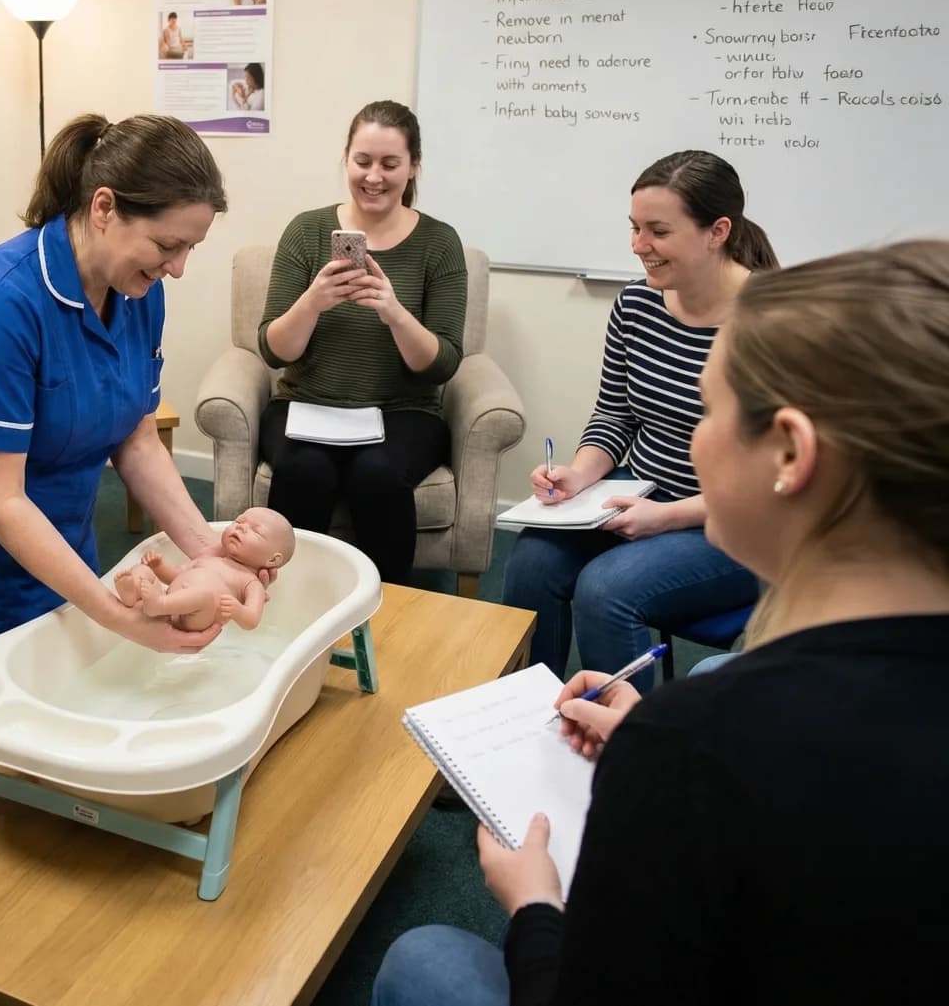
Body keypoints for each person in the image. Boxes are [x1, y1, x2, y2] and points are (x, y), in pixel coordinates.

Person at [374, 239, 949, 1005]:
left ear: (790, 452)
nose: (693, 439)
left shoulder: (697, 747)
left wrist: (536, 904)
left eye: (710, 412)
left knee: (421, 958)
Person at [0, 112, 243, 747]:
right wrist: (120, 618)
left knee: (57, 743)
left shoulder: (139, 290)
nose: (177, 268)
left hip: (59, 550)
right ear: (103, 208)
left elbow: (137, 438)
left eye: (190, 249)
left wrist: (210, 551)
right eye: (168, 246)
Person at [501, 151, 777, 691]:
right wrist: (579, 474)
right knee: (531, 561)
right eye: (633, 227)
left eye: (657, 231)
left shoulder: (775, 322)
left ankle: (628, 753)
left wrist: (669, 516)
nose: (637, 245)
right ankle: (524, 723)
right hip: (642, 494)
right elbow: (615, 414)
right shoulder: (636, 306)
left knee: (606, 589)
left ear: (717, 231)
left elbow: (774, 482)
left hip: (739, 523)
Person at [257, 100, 466, 585]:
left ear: (413, 167)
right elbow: (273, 350)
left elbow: (441, 365)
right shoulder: (306, 231)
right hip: (306, 403)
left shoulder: (439, 242)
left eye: (390, 164)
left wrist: (394, 312)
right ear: (346, 160)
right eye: (363, 161)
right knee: (307, 473)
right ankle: (288, 600)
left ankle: (386, 607)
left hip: (402, 412)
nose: (374, 177)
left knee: (377, 475)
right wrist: (312, 302)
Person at [115, 507, 294, 631]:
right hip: (170, 599)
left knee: (205, 596)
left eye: (255, 531)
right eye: (239, 521)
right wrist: (158, 567)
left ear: (272, 559)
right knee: (142, 569)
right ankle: (132, 594)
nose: (241, 527)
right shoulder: (209, 559)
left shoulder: (251, 582)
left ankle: (159, 605)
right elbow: (176, 577)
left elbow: (252, 620)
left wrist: (237, 610)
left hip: (195, 617)